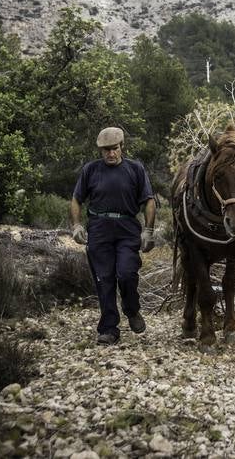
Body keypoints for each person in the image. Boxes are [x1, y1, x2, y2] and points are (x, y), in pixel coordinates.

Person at [70, 126, 156, 345]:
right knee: (104, 279)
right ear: (100, 151)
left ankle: (132, 309)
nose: (110, 153)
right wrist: (77, 225)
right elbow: (76, 199)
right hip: (99, 228)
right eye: (106, 150)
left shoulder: (135, 169)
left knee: (127, 273)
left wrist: (148, 230)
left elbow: (149, 200)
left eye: (114, 149)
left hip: (127, 228)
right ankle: (109, 328)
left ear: (122, 147)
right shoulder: (91, 170)